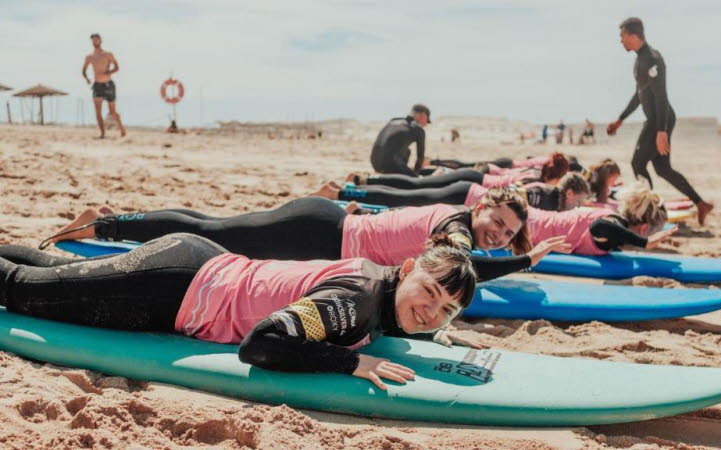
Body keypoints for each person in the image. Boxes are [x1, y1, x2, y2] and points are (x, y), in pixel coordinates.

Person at [0, 233, 482, 390]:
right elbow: (261, 345)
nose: (433, 309)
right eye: (431, 291)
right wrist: (352, 362)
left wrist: (435, 335)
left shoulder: (386, 294)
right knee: (22, 292)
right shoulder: (355, 300)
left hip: (197, 262)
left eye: (449, 309)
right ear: (410, 267)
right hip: (170, 289)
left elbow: (400, 317)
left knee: (57, 274)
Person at [41, 193, 571, 282]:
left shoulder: (459, 217)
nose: (497, 234)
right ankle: (105, 224)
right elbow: (467, 268)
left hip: (329, 223)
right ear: (481, 208)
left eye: (507, 232)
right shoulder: (457, 231)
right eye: (496, 222)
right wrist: (527, 261)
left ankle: (111, 220)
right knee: (210, 232)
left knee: (214, 224)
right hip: (316, 232)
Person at [606, 18, 713, 225]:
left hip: (659, 119)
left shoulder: (652, 59)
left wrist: (661, 131)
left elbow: (661, 96)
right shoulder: (640, 60)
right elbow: (639, 95)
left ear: (634, 35)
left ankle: (648, 213)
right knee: (663, 169)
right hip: (657, 120)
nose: (621, 41)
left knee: (637, 163)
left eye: (623, 36)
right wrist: (620, 120)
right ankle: (701, 204)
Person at [527, 181, 676, 255]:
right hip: (525, 226)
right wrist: (644, 242)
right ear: (644, 229)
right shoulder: (615, 223)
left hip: (531, 219)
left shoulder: (614, 217)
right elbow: (599, 227)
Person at [325, 172, 590, 212]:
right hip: (463, 196)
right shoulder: (545, 200)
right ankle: (342, 194)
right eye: (578, 201)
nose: (576, 206)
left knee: (414, 187)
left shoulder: (546, 189)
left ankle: (355, 186)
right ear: (569, 194)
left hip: (467, 190)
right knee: (407, 196)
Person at [343, 153, 569, 191]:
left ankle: (365, 180)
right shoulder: (535, 182)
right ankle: (365, 182)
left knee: (420, 183)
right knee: (419, 185)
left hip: (481, 174)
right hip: (477, 182)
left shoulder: (535, 169)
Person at [82, 33, 125, 139]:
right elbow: (83, 70)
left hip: (108, 84)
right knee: (98, 111)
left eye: (97, 40)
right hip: (97, 85)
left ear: (101, 41)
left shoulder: (108, 54)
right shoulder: (89, 57)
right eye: (93, 40)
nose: (95, 42)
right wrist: (87, 78)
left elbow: (117, 67)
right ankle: (102, 133)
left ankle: (122, 129)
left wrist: (109, 72)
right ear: (91, 42)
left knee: (112, 112)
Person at [370, 104, 430, 176]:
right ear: (423, 116)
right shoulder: (418, 129)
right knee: (418, 179)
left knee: (407, 150)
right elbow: (420, 158)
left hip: (375, 163)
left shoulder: (393, 121)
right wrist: (416, 174)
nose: (426, 123)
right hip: (390, 166)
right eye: (427, 120)